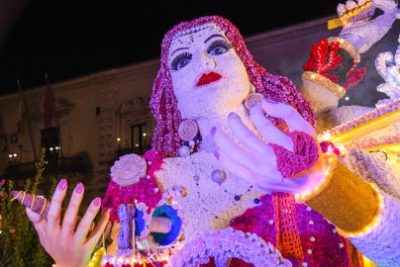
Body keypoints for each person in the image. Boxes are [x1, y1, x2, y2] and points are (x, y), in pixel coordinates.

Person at [24, 1, 400, 266]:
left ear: (247, 68)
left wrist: (321, 183)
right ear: (171, 94)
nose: (204, 62)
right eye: (182, 60)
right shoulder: (141, 182)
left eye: (217, 47)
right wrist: (70, 262)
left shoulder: (310, 148)